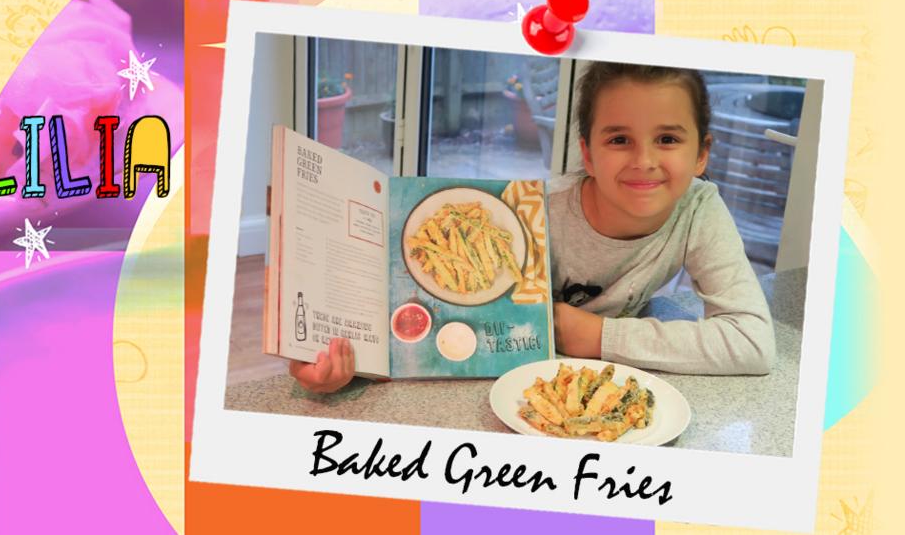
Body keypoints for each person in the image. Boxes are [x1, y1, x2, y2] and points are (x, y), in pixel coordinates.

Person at [290, 61, 775, 393]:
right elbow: (426, 320)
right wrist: (342, 364)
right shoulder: (533, 211)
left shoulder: (698, 209)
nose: (644, 160)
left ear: (701, 154)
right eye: (619, 139)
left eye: (667, 138)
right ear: (587, 154)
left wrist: (599, 336)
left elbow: (753, 342)